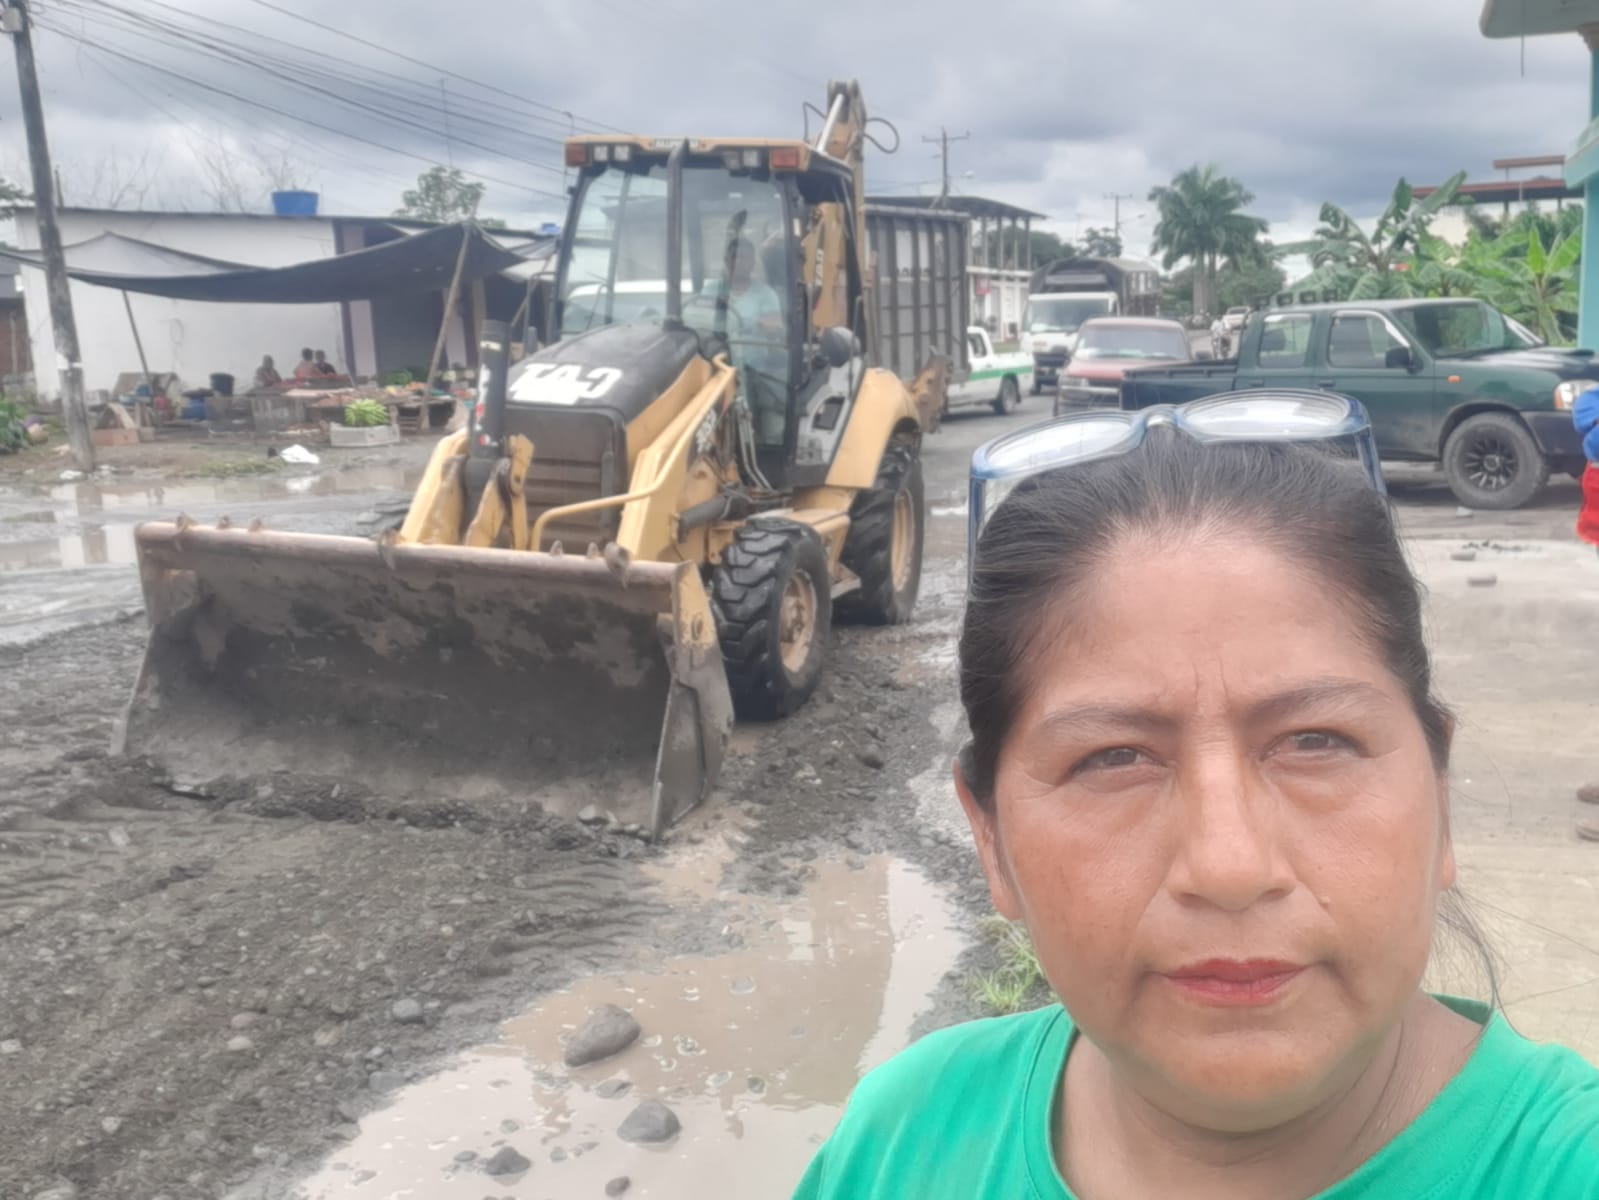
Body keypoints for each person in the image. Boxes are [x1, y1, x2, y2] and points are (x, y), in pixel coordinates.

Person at [795, 428, 1599, 1199]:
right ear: (990, 839)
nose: (1228, 866)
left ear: (1439, 796)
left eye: (1314, 741)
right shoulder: (900, 1141)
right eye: (1113, 758)